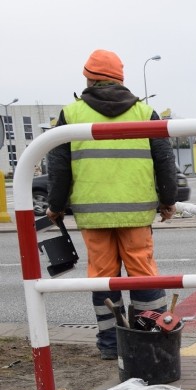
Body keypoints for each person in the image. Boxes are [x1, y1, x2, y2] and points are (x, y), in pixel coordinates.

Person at [46, 49, 177, 360]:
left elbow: (59, 165)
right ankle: (149, 339)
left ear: (89, 78)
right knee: (142, 273)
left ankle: (110, 345)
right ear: (121, 79)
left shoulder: (71, 114)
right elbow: (164, 159)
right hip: (136, 212)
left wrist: (56, 205)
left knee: (104, 277)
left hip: (94, 215)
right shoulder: (144, 113)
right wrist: (168, 200)